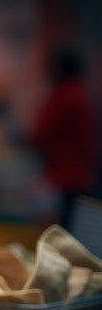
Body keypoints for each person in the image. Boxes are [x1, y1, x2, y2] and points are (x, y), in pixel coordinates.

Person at [30, 48, 99, 229]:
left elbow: (40, 134)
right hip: (81, 175)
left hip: (65, 176)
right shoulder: (81, 94)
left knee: (62, 233)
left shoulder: (64, 97)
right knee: (75, 230)